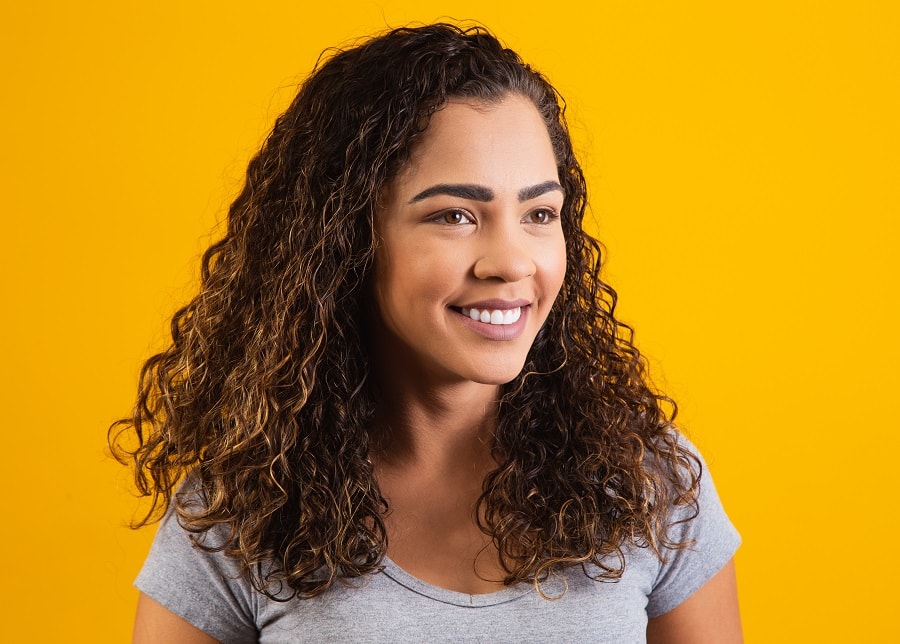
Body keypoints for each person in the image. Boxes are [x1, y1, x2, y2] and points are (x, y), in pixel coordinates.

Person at [111, 23, 742, 643]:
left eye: (539, 213)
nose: (512, 261)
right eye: (455, 215)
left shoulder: (650, 481)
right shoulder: (243, 508)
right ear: (348, 239)